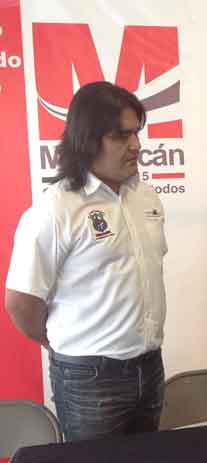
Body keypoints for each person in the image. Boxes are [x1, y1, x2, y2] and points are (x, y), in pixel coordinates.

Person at [5, 82, 168, 440]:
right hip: (89, 378)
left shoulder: (145, 196)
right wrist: (58, 342)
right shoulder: (56, 208)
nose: (136, 145)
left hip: (150, 366)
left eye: (136, 133)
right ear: (88, 140)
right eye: (120, 136)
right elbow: (20, 301)